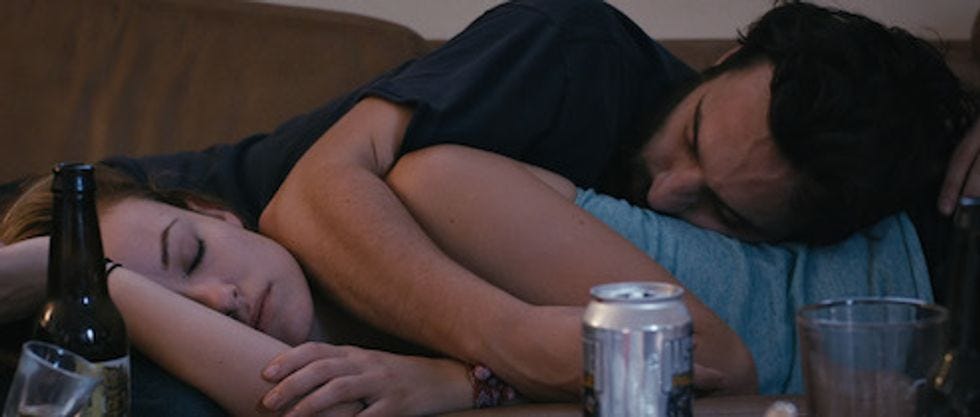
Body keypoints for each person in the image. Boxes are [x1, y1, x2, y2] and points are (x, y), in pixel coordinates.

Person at [98, 0, 972, 404]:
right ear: (721, 62)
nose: (667, 189)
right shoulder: (571, 53)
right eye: (695, 136)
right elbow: (308, 200)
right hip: (163, 213)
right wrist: (508, 344)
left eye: (730, 216)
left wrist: (463, 382)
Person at [0, 142, 930, 415]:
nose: (222, 300)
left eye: (192, 257)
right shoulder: (368, 367)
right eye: (178, 312)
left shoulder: (429, 189)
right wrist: (102, 283)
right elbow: (283, 396)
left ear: (217, 212)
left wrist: (459, 378)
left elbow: (705, 359)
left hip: (932, 285)